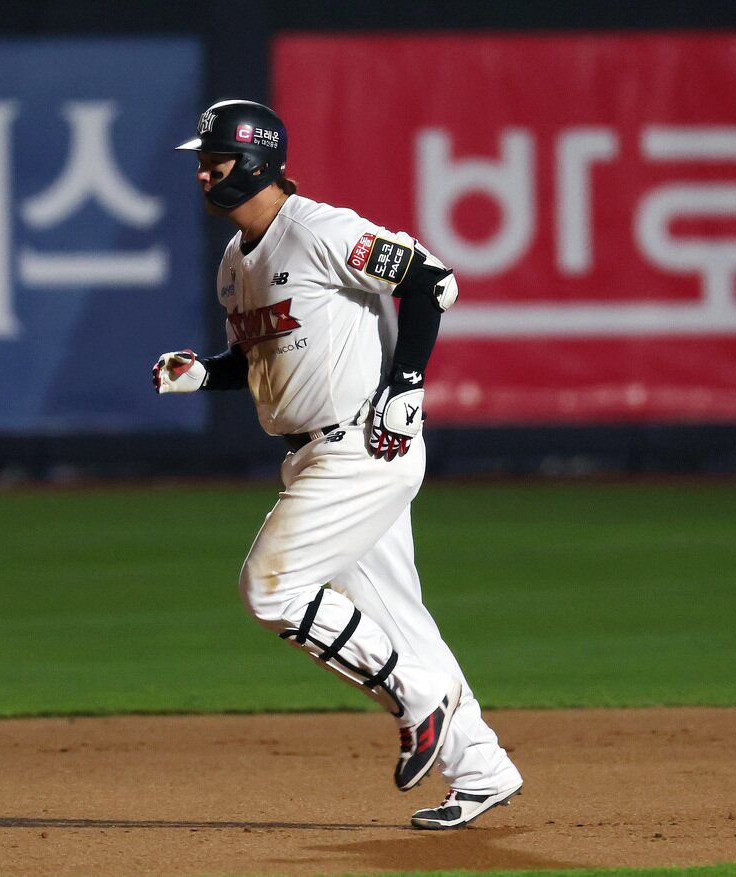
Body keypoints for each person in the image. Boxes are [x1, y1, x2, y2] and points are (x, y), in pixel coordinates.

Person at [152, 99, 523, 829]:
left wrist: (408, 384)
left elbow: (430, 279)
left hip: (363, 446)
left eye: (213, 159)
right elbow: (265, 356)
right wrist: (207, 373)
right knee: (400, 621)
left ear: (254, 162)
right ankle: (481, 767)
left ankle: (417, 701)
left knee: (270, 587)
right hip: (311, 454)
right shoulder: (236, 262)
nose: (201, 172)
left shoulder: (319, 229)